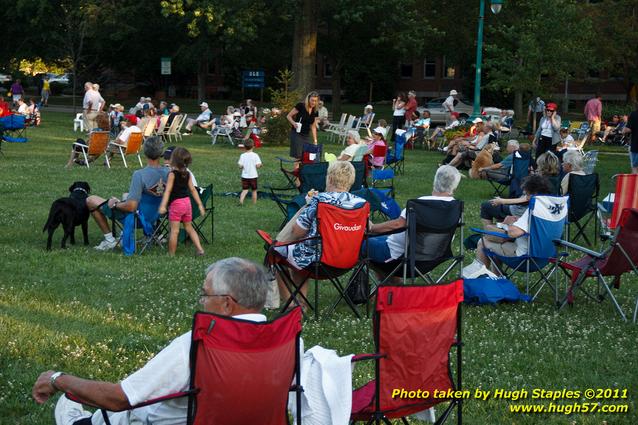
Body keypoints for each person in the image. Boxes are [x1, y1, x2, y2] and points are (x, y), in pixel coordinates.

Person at [33, 258, 269, 425]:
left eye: (205, 294)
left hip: (133, 419)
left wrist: (57, 379)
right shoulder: (284, 343)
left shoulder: (198, 345)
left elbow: (119, 399)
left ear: (227, 304)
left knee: (67, 401)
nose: (201, 301)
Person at [273, 161, 365, 305]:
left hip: (318, 262)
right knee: (300, 252)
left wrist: (309, 205)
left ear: (328, 178)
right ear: (351, 181)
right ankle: (301, 304)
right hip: (347, 261)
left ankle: (291, 305)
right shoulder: (361, 204)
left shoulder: (319, 200)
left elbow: (297, 232)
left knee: (277, 253)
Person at [365, 165, 461, 271]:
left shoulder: (422, 204)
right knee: (377, 240)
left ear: (435, 181)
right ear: (455, 187)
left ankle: (365, 284)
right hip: (432, 259)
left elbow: (397, 225)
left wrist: (372, 227)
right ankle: (392, 283)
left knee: (359, 244)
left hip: (400, 258)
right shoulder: (455, 208)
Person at [87, 137, 169, 251]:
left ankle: (109, 240)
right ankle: (122, 235)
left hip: (138, 218)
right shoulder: (169, 172)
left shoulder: (140, 174)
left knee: (91, 200)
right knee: (126, 195)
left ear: (145, 152)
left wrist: (115, 204)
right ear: (161, 152)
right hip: (156, 215)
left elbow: (131, 207)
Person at [476, 175, 554, 268]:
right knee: (497, 244)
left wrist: (506, 224)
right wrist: (519, 222)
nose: (526, 197)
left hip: (527, 258)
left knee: (482, 242)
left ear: (534, 193)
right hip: (546, 256)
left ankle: (480, 278)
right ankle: (497, 278)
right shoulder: (554, 210)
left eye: (527, 194)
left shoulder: (532, 211)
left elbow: (513, 233)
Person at [158, 147, 206, 256]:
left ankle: (171, 254)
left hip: (176, 205)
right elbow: (193, 190)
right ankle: (200, 249)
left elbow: (168, 190)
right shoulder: (187, 174)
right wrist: (200, 205)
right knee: (189, 227)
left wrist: (163, 205)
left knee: (174, 231)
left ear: (173, 160)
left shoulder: (172, 174)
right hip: (187, 203)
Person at [286, 91, 319, 159]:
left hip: (306, 135)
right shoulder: (301, 106)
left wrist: (315, 140)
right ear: (308, 99)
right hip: (297, 134)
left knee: (305, 155)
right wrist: (294, 123)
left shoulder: (315, 111)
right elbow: (288, 116)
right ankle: (297, 169)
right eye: (312, 100)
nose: (313, 102)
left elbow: (313, 126)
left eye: (315, 101)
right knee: (298, 156)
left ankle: (301, 169)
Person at [237, 138, 262, 205]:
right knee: (254, 191)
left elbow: (240, 166)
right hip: (253, 176)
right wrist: (260, 165)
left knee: (244, 190)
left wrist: (242, 166)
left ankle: (241, 201)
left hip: (244, 176)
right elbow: (258, 165)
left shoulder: (242, 155)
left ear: (244, 147)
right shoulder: (255, 155)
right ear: (253, 146)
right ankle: (254, 203)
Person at [624, 104, 638, 174]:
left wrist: (626, 122)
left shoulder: (634, 114)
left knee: (635, 167)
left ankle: (635, 184)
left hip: (636, 145)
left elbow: (627, 130)